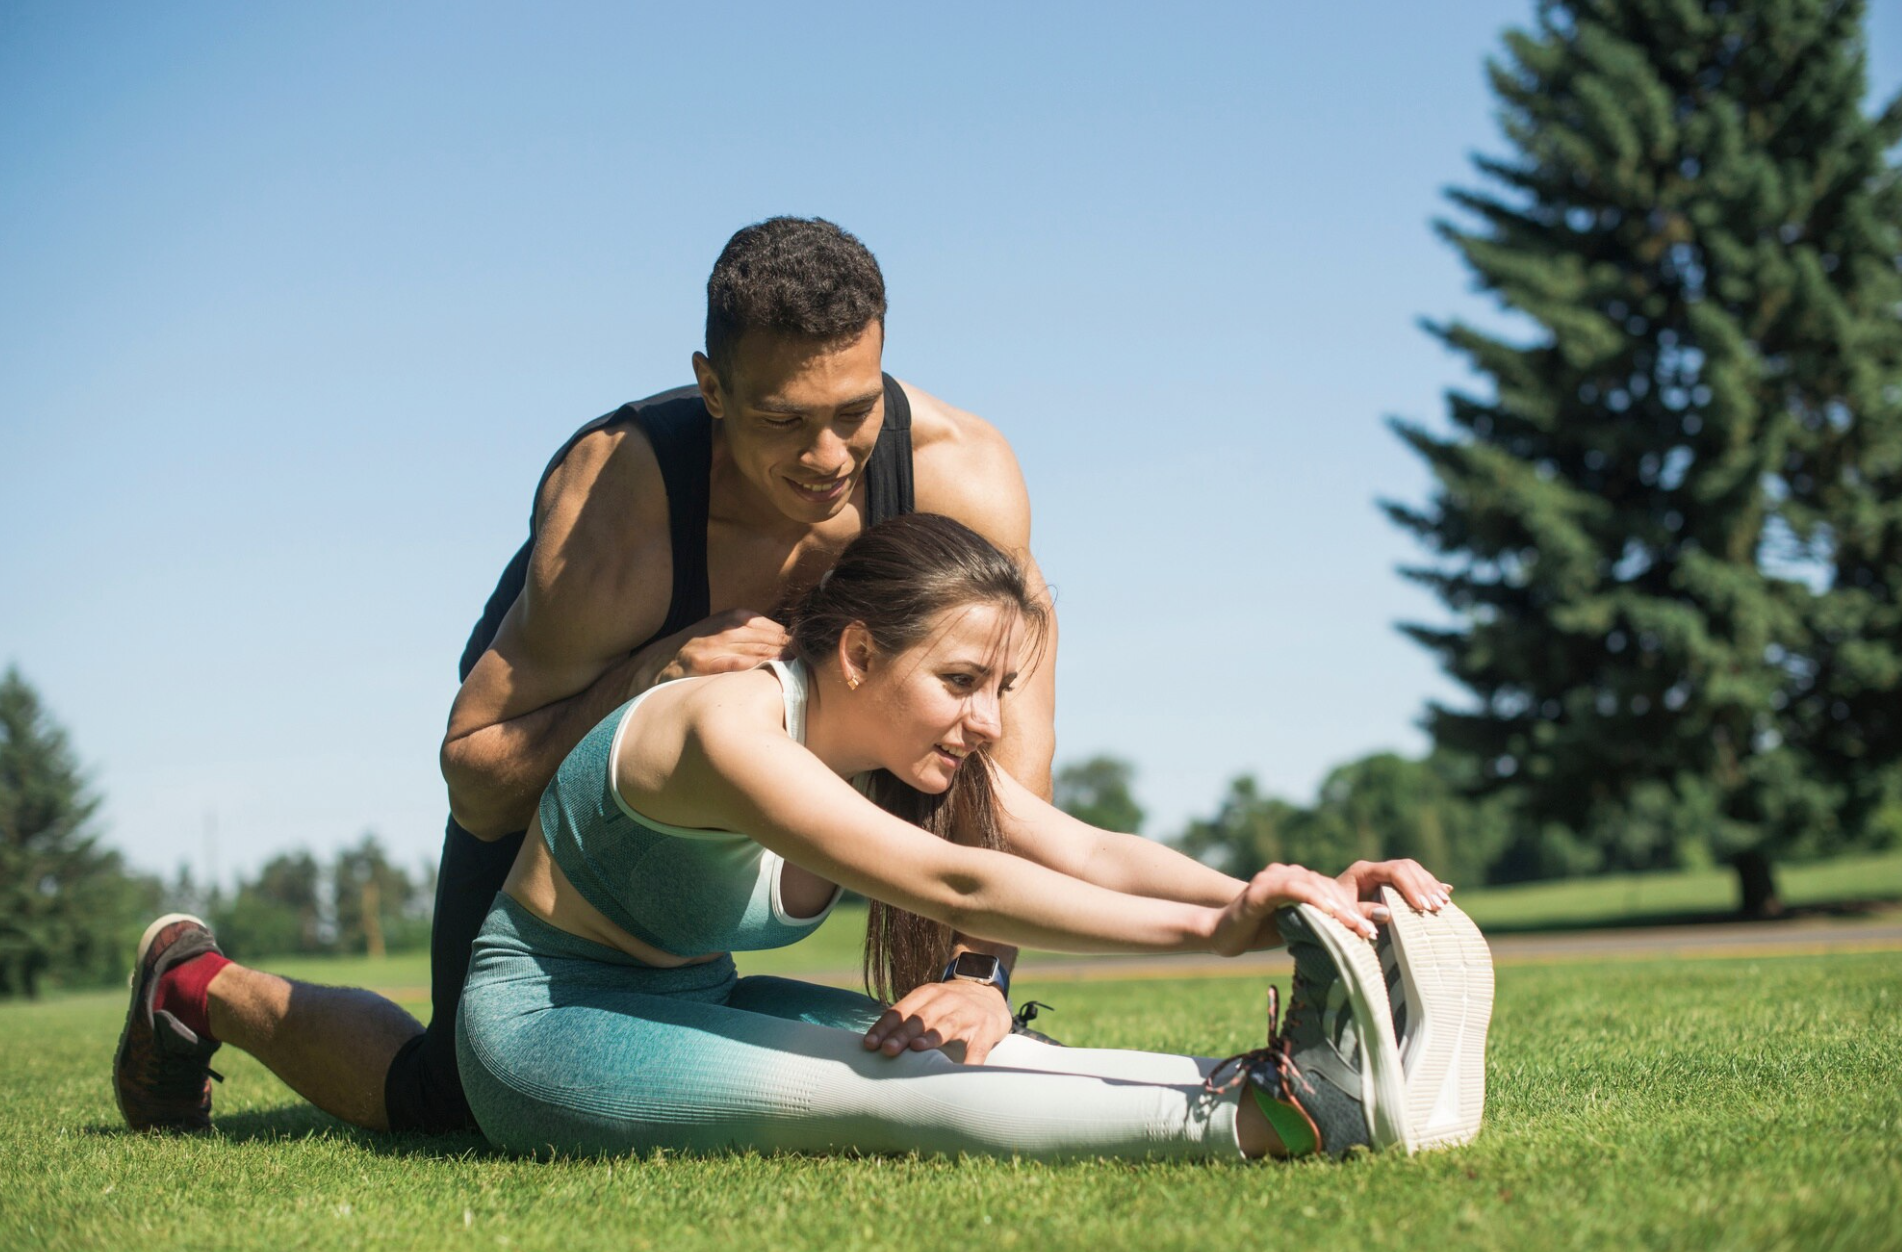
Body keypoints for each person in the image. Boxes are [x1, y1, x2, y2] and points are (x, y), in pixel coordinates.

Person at [115, 218, 1060, 1135]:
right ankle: (194, 987)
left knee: (911, 1024)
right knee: (454, 1095)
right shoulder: (619, 508)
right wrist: (651, 674)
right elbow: (477, 777)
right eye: (784, 419)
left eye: (856, 411)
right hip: (576, 742)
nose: (827, 457)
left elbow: (1011, 749)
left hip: (771, 769)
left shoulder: (962, 479)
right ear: (713, 390)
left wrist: (979, 978)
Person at [455, 512, 1463, 1160]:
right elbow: (962, 886)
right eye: (962, 682)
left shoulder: (889, 751)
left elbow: (1088, 850)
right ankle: (1281, 1115)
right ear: (858, 652)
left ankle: (1297, 1076)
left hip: (699, 992)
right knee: (890, 1094)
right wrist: (1218, 934)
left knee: (974, 1054)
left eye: (1002, 689)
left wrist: (1294, 900)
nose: (988, 721)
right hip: (551, 1026)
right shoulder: (727, 728)